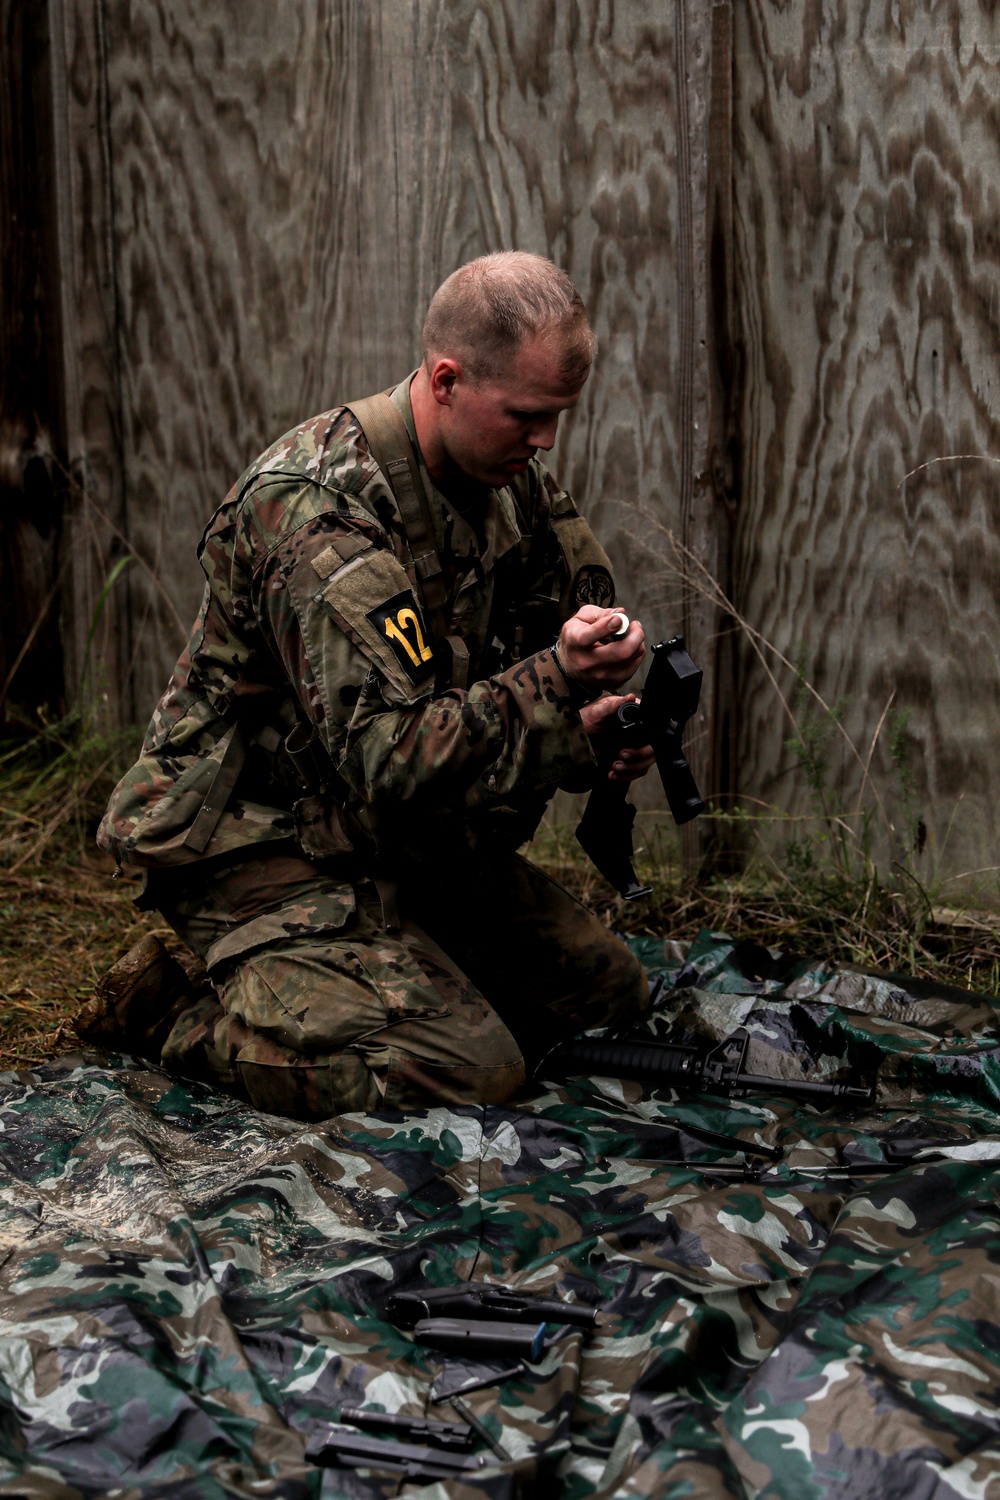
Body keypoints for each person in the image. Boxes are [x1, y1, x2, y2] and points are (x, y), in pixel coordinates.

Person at [83, 251, 654, 1120]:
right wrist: (556, 685)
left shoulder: (505, 479)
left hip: (394, 835)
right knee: (468, 1073)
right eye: (528, 416)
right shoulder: (319, 510)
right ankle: (171, 1010)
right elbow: (391, 756)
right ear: (448, 379)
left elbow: (568, 616)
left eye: (559, 418)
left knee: (608, 999)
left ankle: (370, 965)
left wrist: (599, 711)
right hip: (261, 841)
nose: (546, 442)